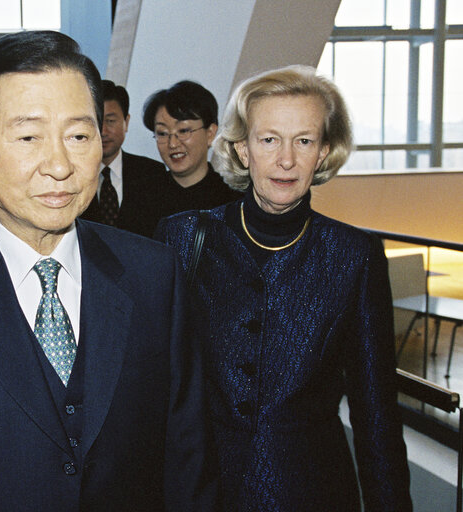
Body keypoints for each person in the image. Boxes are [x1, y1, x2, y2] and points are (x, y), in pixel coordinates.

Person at [0, 30, 216, 511]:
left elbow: (188, 457)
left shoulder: (154, 274)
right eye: (28, 136)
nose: (59, 165)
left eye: (78, 136)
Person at [155, 65, 412, 511]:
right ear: (242, 149)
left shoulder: (355, 255)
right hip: (203, 490)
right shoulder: (182, 238)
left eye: (304, 140)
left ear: (325, 151)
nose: (287, 160)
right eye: (269, 139)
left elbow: (377, 416)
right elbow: (152, 389)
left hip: (312, 491)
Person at [80, 80, 169, 238]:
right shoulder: (72, 174)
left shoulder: (153, 173)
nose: (103, 131)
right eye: (96, 121)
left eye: (111, 121)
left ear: (126, 122)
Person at [143, 80, 240, 215]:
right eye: (162, 133)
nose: (172, 144)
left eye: (183, 131)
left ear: (210, 134)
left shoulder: (232, 204)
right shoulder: (141, 196)